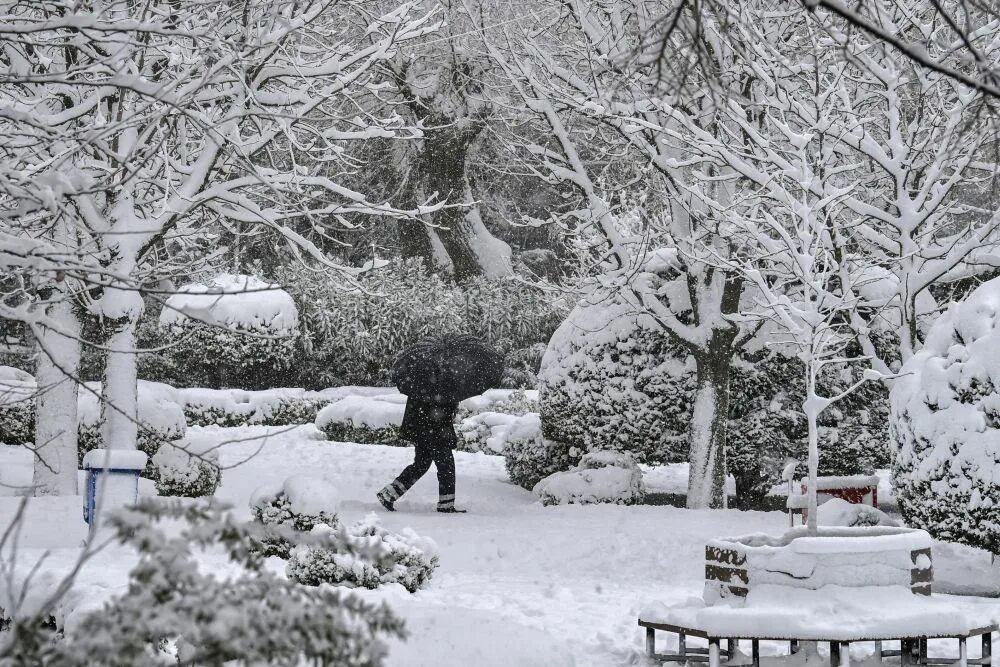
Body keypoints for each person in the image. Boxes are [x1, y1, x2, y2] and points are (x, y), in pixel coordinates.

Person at [377, 396, 465, 513]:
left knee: (421, 465)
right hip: (436, 432)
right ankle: (446, 505)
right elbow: (439, 411)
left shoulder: (421, 386)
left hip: (422, 431)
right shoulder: (440, 387)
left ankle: (389, 493)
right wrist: (450, 405)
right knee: (446, 467)